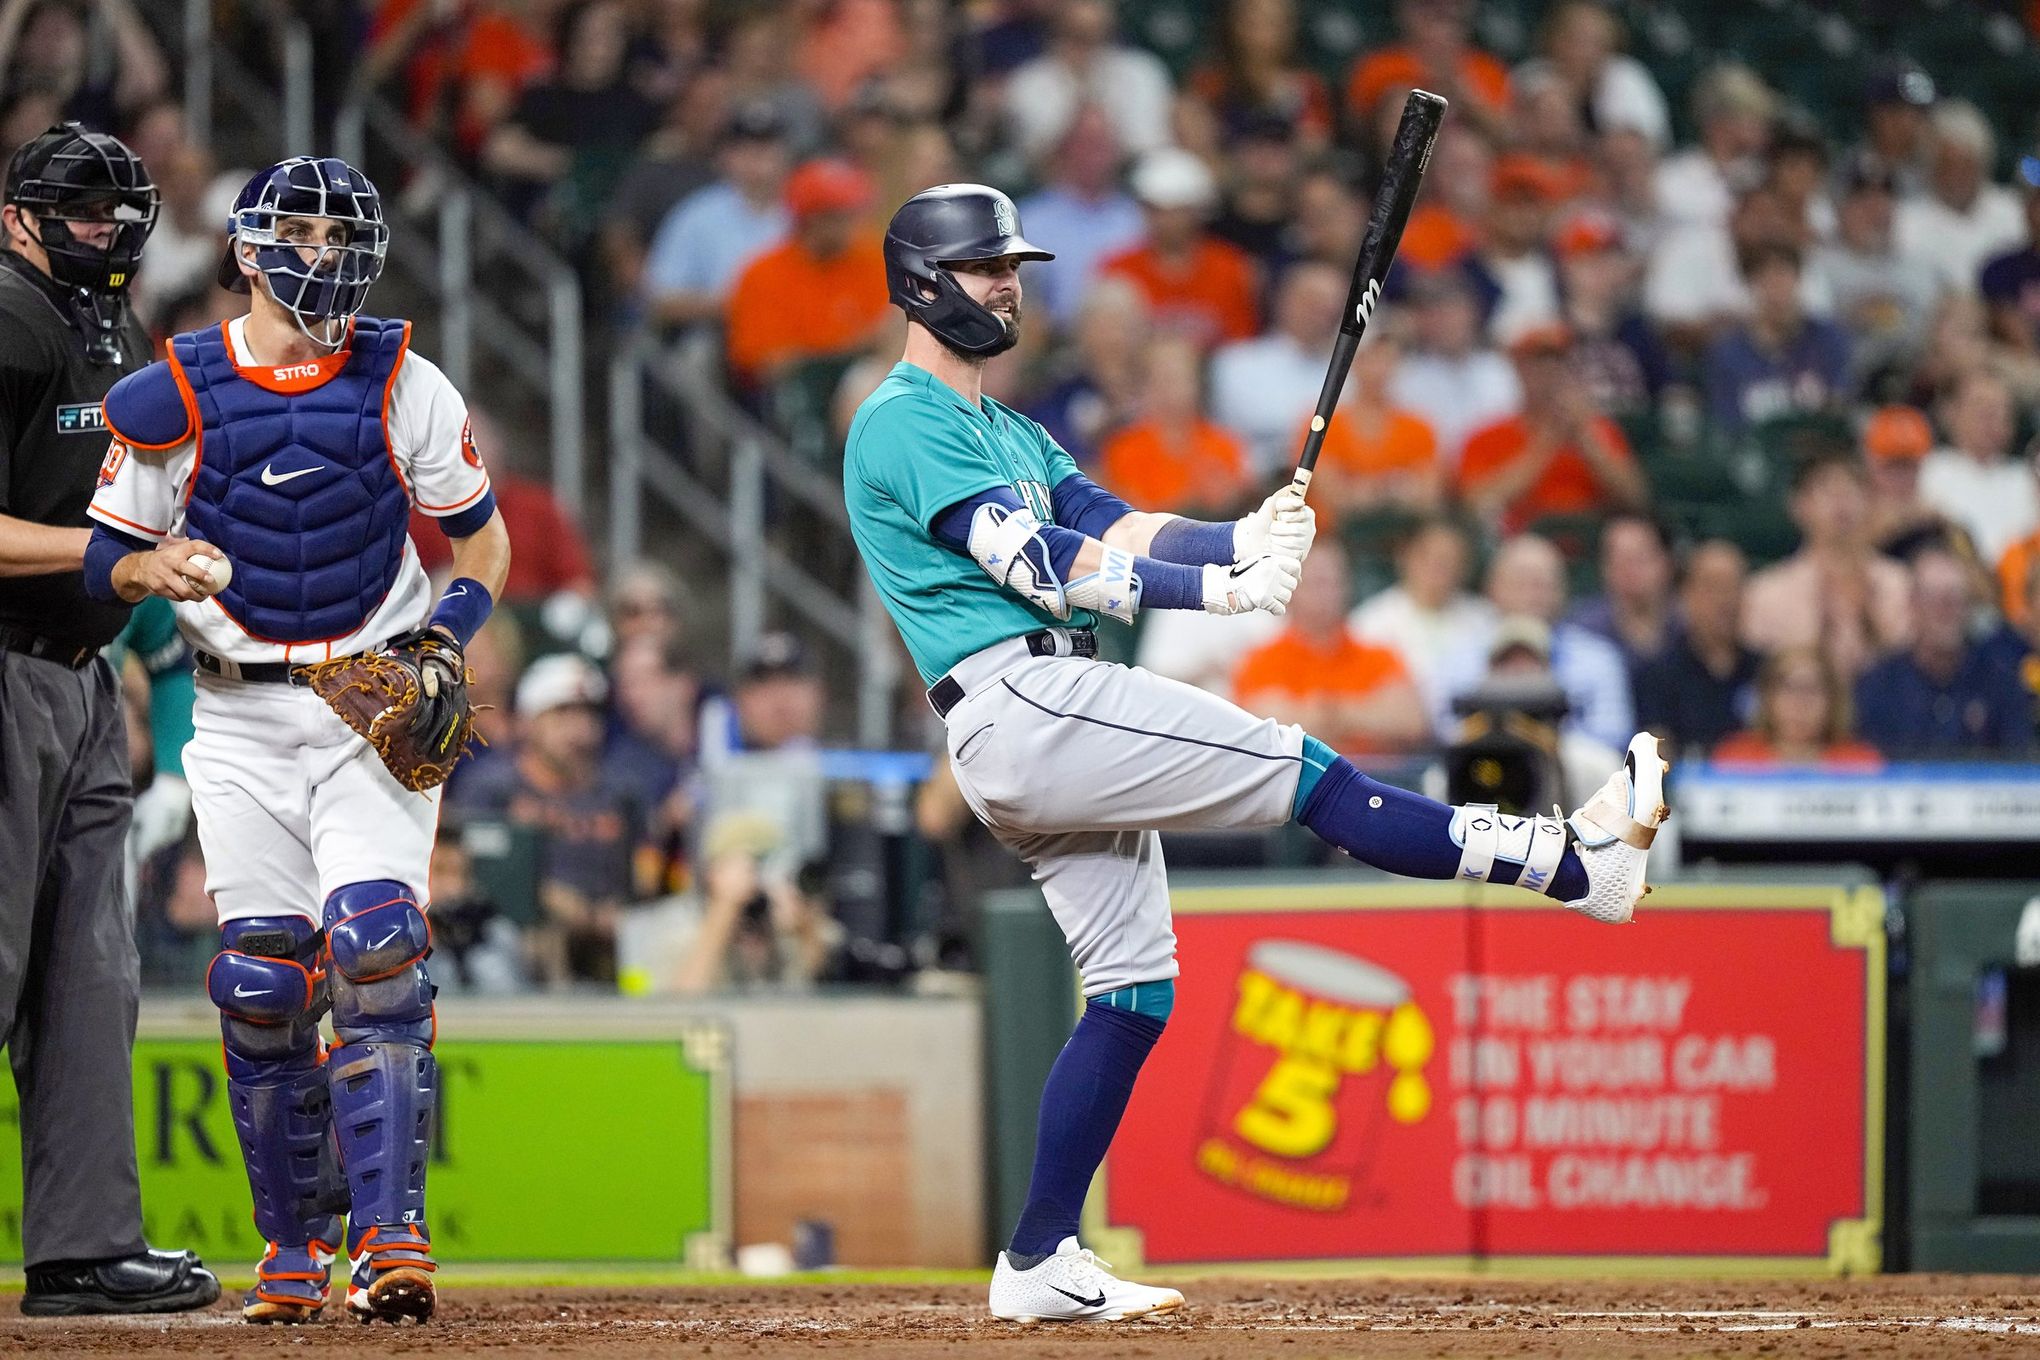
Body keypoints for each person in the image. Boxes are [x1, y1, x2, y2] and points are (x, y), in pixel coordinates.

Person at [848, 183, 1667, 1323]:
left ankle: (1037, 1260)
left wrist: (1242, 536)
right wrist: (1213, 589)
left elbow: (1113, 521)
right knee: (1307, 768)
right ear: (926, 281)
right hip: (1026, 696)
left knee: (1134, 992)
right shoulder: (903, 415)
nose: (1009, 287)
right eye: (988, 269)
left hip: (1038, 715)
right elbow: (1039, 562)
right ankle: (1573, 867)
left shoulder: (1007, 425)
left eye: (1015, 268)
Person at [82, 156, 513, 1325]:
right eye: (302, 231)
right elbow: (99, 555)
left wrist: (444, 641)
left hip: (362, 698)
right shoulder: (174, 389)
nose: (321, 254)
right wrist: (144, 567)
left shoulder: (403, 378)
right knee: (261, 979)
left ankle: (393, 1238)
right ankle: (292, 1243)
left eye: (341, 233)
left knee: (377, 952)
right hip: (231, 710)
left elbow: (482, 544)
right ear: (246, 248)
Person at [0, 121, 219, 1318]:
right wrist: (113, 567)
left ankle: (83, 1246)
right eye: (79, 214)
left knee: (92, 976)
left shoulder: (107, 327)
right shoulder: (7, 316)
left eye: (115, 214)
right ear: (17, 217)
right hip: (5, 662)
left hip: (80, 675)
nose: (104, 231)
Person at [455, 653, 649, 985]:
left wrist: (624, 909)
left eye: (589, 716)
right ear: (528, 723)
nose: (580, 730)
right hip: (524, 938)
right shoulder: (492, 789)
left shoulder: (623, 792)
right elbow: (465, 874)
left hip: (615, 942)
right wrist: (542, 896)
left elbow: (648, 878)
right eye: (562, 715)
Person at [1232, 537, 1429, 754]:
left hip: (1373, 779)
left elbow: (1411, 722)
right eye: (1316, 583)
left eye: (1335, 582)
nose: (1326, 594)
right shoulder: (1261, 659)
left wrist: (1327, 713)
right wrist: (1364, 712)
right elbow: (1261, 728)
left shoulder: (1380, 655)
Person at [1457, 325, 1646, 535]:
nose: (1549, 375)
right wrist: (1547, 443)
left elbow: (1637, 500)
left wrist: (1586, 439)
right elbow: (1475, 505)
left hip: (1591, 541)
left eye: (1559, 364)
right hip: (1520, 543)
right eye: (1538, 365)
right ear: (1519, 370)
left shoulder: (1598, 430)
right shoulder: (1487, 435)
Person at [1741, 448, 1911, 680]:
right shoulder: (1766, 594)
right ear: (1798, 505)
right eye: (1827, 488)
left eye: (1853, 488)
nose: (1841, 498)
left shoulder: (1902, 585)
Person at [1853, 547, 2036, 759]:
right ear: (1913, 605)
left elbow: (2016, 768)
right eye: (1934, 600)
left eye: (1954, 599)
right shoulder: (1879, 685)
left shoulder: (2001, 682)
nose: (1945, 612)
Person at [723, 157, 887, 388]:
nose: (854, 224)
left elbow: (889, 336)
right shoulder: (763, 273)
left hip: (863, 384)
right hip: (792, 394)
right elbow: (763, 364)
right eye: (841, 215)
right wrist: (842, 349)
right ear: (813, 219)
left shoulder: (872, 259)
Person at [641, 99, 792, 332]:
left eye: (767, 148)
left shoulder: (804, 212)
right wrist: (731, 304)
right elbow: (660, 298)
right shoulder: (697, 214)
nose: (758, 160)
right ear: (726, 156)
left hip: (793, 333)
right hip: (716, 334)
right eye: (746, 150)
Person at [1099, 147, 1259, 348]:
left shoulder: (1230, 267)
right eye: (1156, 211)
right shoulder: (1119, 269)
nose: (1166, 221)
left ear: (1197, 211)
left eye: (1176, 211)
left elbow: (1241, 346)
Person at [1701, 242, 1851, 436]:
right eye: (1765, 280)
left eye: (1783, 276)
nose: (1776, 291)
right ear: (1750, 285)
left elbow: (1839, 405)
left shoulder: (1827, 338)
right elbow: (1728, 423)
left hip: (1817, 450)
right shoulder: (1729, 353)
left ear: (1798, 279)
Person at [1207, 260, 1344, 472]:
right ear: (1285, 299)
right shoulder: (1236, 364)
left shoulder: (1351, 375)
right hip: (1253, 487)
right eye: (1313, 302)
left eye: (1331, 306)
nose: (1323, 314)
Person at [1096, 333, 1252, 516]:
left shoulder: (1225, 444)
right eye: (1161, 379)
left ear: (1197, 383)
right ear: (1143, 387)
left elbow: (1241, 509)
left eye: (1180, 378)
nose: (1171, 389)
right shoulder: (1122, 450)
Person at [1632, 539, 1760, 758]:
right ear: (1686, 595)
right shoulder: (1657, 675)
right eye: (1713, 587)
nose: (1725, 600)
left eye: (1733, 586)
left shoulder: (1764, 671)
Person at [1349, 515, 1487, 718]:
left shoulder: (1484, 620)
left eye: (1450, 561)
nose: (1438, 569)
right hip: (1395, 742)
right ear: (1406, 556)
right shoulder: (1370, 622)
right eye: (1430, 558)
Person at [1893, 100, 2024, 296]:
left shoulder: (2014, 211)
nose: (1957, 175)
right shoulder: (1904, 221)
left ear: (1983, 165)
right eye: (1947, 164)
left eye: (1966, 164)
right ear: (1929, 166)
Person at [1920, 369, 2037, 565]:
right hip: (1959, 577)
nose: (1993, 417)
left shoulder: (2026, 476)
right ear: (1952, 413)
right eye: (1982, 408)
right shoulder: (1930, 469)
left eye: (2001, 410)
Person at [1712, 647, 1882, 769]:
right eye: (1788, 688)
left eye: (1813, 690)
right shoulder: (1735, 759)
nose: (1800, 702)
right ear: (1768, 698)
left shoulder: (1860, 763)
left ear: (1833, 700)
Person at [1566, 512, 1674, 667]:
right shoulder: (1581, 632)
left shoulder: (1691, 629)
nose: (1628, 569)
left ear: (1666, 562)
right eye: (1618, 558)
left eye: (1639, 557)